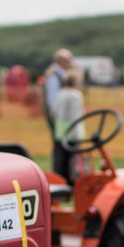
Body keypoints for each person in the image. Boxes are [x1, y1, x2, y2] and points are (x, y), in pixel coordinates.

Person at [42, 48, 75, 176]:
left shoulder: (58, 74)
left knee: (64, 146)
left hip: (61, 118)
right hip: (59, 118)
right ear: (62, 61)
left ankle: (65, 174)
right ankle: (60, 175)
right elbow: (52, 101)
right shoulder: (54, 76)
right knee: (60, 146)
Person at [51, 69, 86, 180]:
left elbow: (54, 112)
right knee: (73, 161)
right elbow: (76, 116)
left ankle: (60, 180)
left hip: (59, 131)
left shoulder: (60, 93)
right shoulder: (75, 95)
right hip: (72, 132)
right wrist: (78, 135)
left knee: (60, 160)